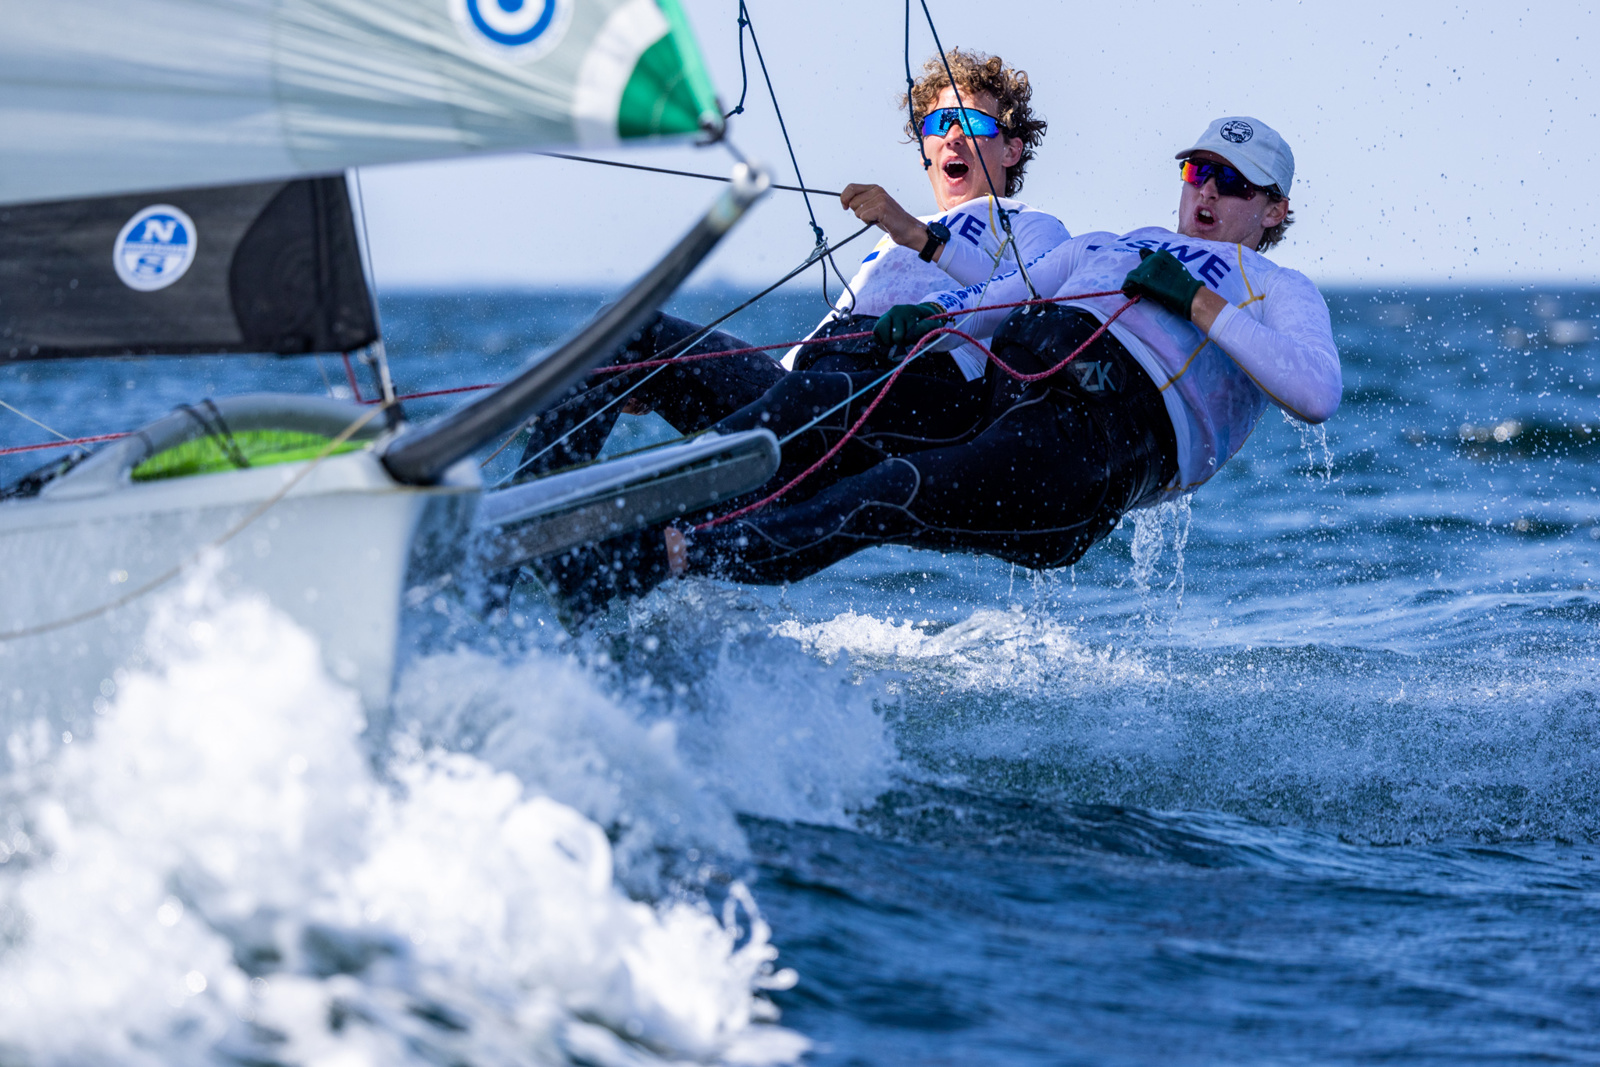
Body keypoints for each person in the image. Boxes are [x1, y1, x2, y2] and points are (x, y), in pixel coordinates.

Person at [533, 116, 1340, 618]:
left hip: (1088, 452)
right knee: (821, 403)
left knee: (885, 491)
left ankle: (645, 558)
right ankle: (550, 509)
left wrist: (1200, 304)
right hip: (1000, 390)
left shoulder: (1278, 287)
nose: (1207, 192)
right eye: (1198, 171)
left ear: (1274, 211)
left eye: (1234, 183)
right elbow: (1006, 295)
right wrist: (935, 319)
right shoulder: (1109, 242)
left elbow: (1316, 392)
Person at [511, 48, 1065, 479]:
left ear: (1011, 150)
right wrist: (662, 379)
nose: (953, 137)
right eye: (939, 124)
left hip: (898, 404)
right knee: (628, 333)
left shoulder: (1032, 226)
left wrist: (918, 236)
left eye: (974, 123)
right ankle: (531, 509)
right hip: (802, 395)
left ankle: (679, 481)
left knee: (792, 403)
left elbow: (1034, 304)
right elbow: (808, 355)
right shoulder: (891, 244)